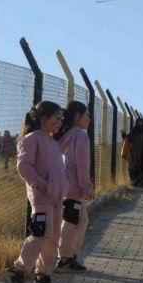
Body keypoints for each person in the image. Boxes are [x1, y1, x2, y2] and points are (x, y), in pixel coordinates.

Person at [4, 101, 67, 283]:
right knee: (41, 234)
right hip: (41, 197)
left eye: (61, 118)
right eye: (57, 118)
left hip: (56, 197)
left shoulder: (52, 142)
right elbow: (24, 167)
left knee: (54, 237)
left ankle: (43, 275)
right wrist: (42, 184)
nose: (60, 122)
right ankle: (18, 270)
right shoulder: (31, 139)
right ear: (43, 119)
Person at [53, 101, 94, 274]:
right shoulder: (80, 136)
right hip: (75, 187)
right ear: (78, 116)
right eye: (86, 115)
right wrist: (87, 185)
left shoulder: (64, 135)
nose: (89, 120)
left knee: (78, 220)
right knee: (73, 222)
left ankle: (69, 256)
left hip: (63, 184)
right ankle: (65, 258)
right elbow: (82, 164)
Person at [122, 118, 143, 188]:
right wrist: (124, 136)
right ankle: (136, 183)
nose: (140, 124)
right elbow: (128, 140)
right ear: (136, 123)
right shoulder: (133, 132)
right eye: (138, 122)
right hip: (135, 155)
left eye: (141, 123)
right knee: (135, 169)